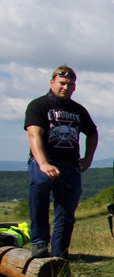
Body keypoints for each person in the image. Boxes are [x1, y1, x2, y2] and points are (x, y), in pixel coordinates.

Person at [24, 65, 98, 259]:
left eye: (70, 84)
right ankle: (39, 242)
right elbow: (34, 135)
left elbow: (92, 133)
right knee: (39, 186)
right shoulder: (38, 105)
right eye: (62, 83)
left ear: (75, 87)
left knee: (66, 214)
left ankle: (59, 257)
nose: (65, 87)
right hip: (45, 161)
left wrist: (88, 159)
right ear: (52, 83)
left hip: (70, 165)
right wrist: (43, 164)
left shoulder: (78, 110)